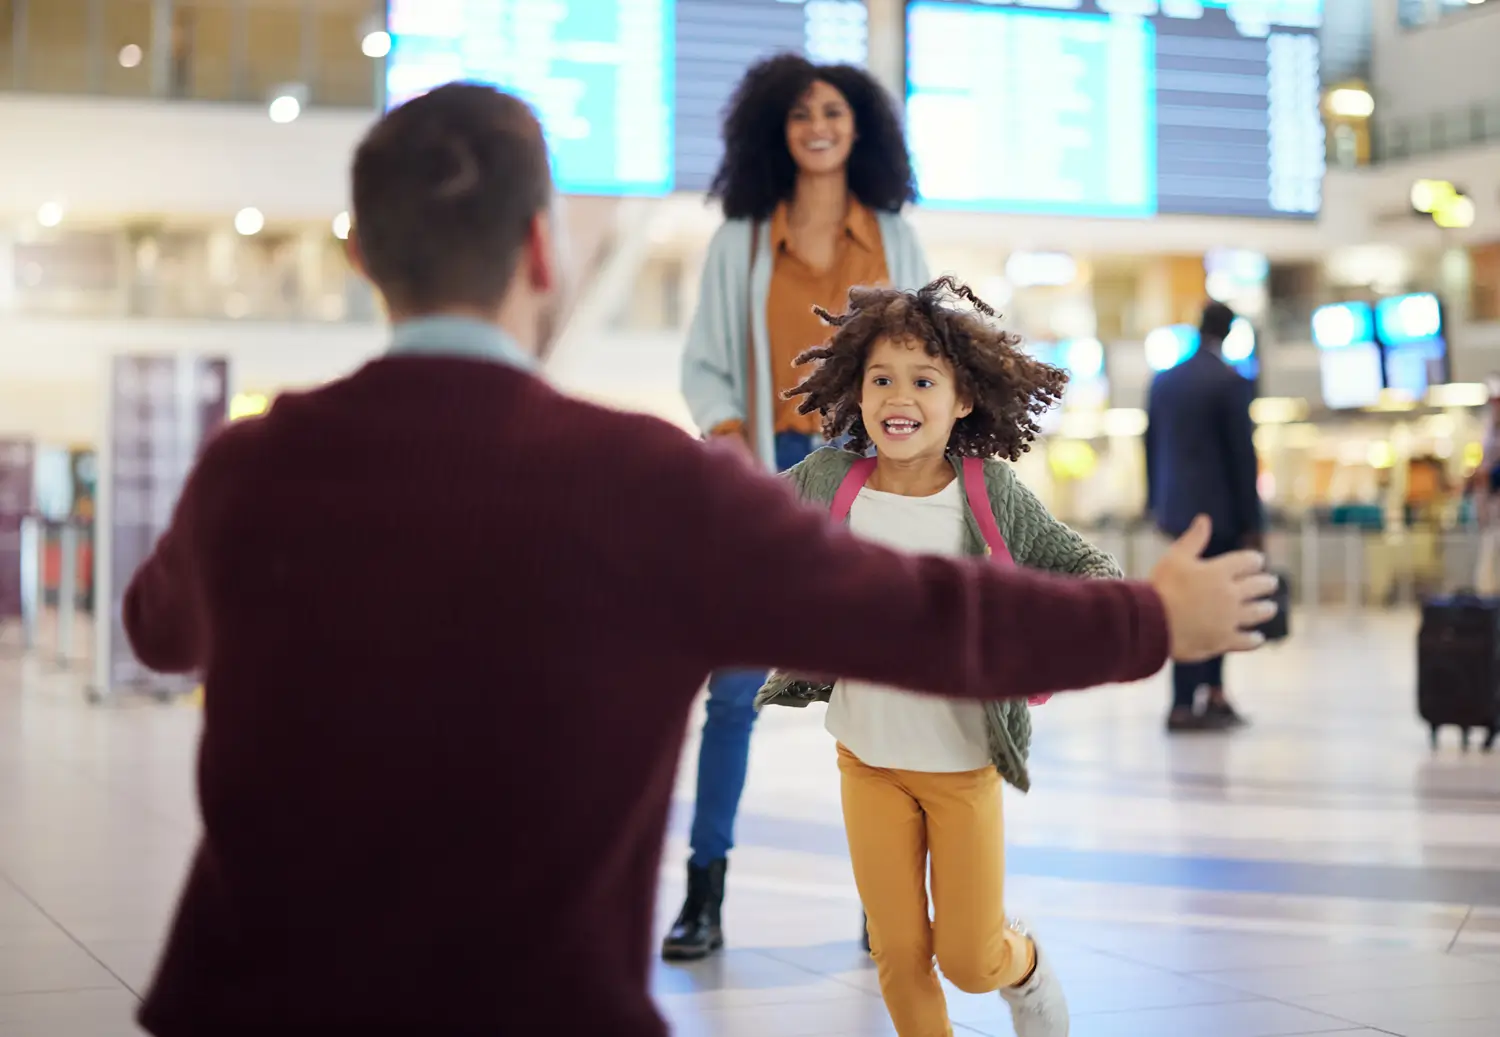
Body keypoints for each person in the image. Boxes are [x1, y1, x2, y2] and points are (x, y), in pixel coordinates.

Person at [122, 83, 1278, 1037]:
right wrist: (1148, 618)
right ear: (541, 249)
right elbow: (924, 614)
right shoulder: (643, 486)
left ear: (366, 255)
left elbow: (156, 629)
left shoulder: (249, 467)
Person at [755, 276, 1112, 1037]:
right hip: (868, 759)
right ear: (857, 392)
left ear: (963, 400)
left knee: (969, 957)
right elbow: (741, 520)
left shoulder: (989, 492)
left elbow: (1088, 570)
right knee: (898, 951)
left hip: (962, 765)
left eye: (923, 379)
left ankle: (1028, 967)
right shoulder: (829, 482)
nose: (898, 395)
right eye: (880, 378)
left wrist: (1054, 641)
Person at [670, 53, 929, 961]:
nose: (817, 125)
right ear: (774, 132)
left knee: (878, 689)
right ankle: (704, 891)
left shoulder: (895, 236)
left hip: (868, 470)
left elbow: (929, 356)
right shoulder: (740, 239)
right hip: (767, 471)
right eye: (799, 114)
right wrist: (736, 446)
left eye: (833, 110)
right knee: (734, 685)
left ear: (860, 127)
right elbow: (705, 360)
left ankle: (885, 900)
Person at [1145, 301, 1263, 733]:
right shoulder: (1230, 381)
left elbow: (1151, 445)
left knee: (1187, 598)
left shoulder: (1165, 380)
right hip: (1222, 514)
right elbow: (1241, 458)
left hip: (1176, 512)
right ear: (1229, 334)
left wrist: (1155, 504)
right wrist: (1253, 522)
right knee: (1217, 602)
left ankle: (1193, 698)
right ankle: (1200, 696)